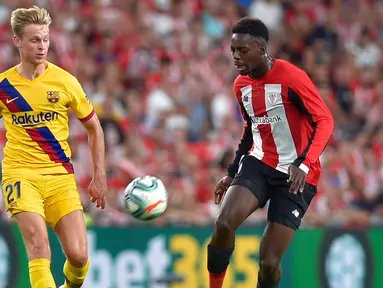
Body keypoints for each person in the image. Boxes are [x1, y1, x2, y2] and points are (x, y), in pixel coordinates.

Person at [207, 17, 334, 288]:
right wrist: (231, 174)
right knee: (224, 223)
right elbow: (250, 129)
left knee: (268, 263)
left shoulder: (293, 78)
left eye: (243, 51)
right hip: (260, 163)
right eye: (233, 51)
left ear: (262, 49)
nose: (236, 57)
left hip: (297, 176)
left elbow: (325, 121)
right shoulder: (241, 86)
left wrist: (304, 163)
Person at [0, 6, 107, 288]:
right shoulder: (4, 86)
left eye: (45, 39)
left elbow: (94, 127)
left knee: (79, 256)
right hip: (20, 175)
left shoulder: (65, 81)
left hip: (60, 177)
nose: (42, 46)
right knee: (39, 248)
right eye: (35, 40)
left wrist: (99, 177)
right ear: (18, 41)